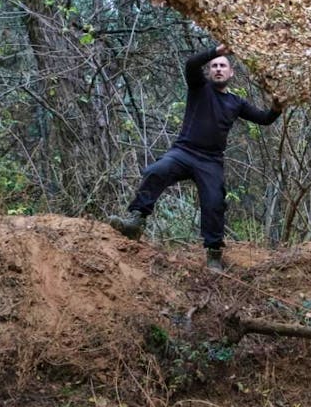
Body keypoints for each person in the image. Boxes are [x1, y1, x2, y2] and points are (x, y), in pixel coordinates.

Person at [108, 44, 283, 271]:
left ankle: (213, 255)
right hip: (183, 152)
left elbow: (264, 118)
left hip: (211, 161)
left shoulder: (236, 102)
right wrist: (217, 50)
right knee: (156, 171)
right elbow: (191, 64)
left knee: (214, 201)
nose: (218, 69)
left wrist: (277, 107)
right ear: (209, 72)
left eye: (223, 66)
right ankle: (135, 222)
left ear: (231, 74)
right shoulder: (200, 87)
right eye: (214, 66)